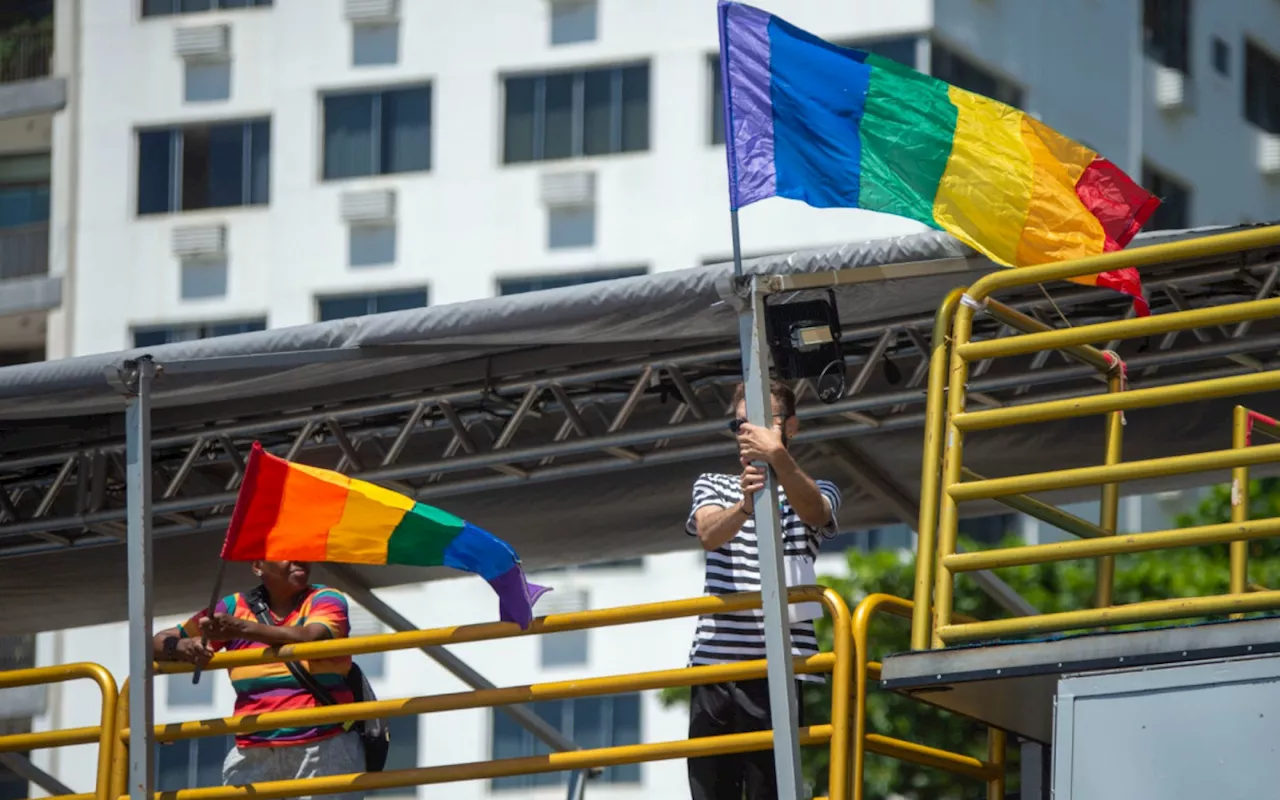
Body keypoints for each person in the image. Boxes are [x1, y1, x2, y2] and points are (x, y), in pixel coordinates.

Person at [684, 380, 842, 800]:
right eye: (742, 425)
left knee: (768, 787)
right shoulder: (714, 484)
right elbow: (708, 533)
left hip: (780, 664)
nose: (750, 433)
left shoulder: (817, 486)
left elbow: (816, 512)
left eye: (764, 423)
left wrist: (778, 458)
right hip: (715, 663)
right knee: (709, 787)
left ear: (791, 427)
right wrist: (744, 504)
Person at [153, 560, 364, 800]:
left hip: (325, 744)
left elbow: (312, 636)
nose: (299, 558)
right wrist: (181, 646)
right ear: (257, 566)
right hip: (252, 750)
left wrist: (242, 629)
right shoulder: (233, 607)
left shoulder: (325, 598)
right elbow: (158, 640)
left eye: (303, 550)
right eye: (286, 551)